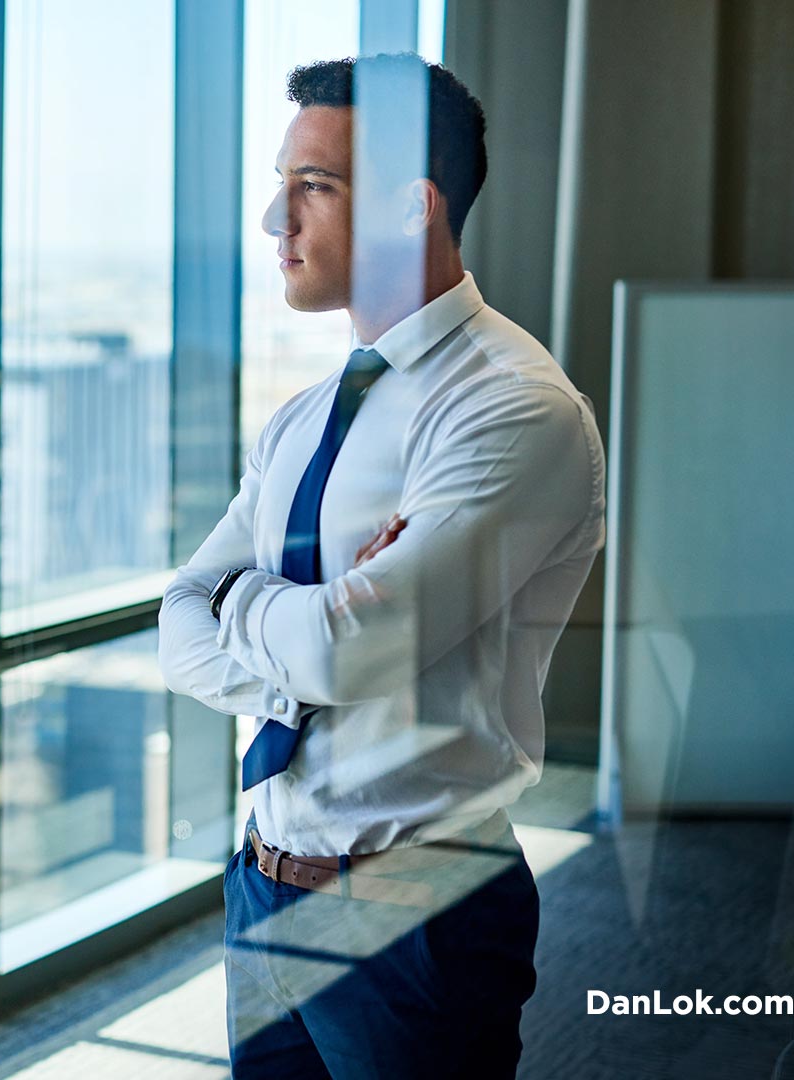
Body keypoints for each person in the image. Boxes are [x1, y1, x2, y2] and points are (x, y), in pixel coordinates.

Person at [158, 53, 605, 1078]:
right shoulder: (305, 417)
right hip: (263, 881)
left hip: (415, 904)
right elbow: (180, 626)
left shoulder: (512, 408)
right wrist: (309, 618)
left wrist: (256, 605)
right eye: (281, 184)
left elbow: (346, 651)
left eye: (313, 186)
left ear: (414, 206)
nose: (275, 221)